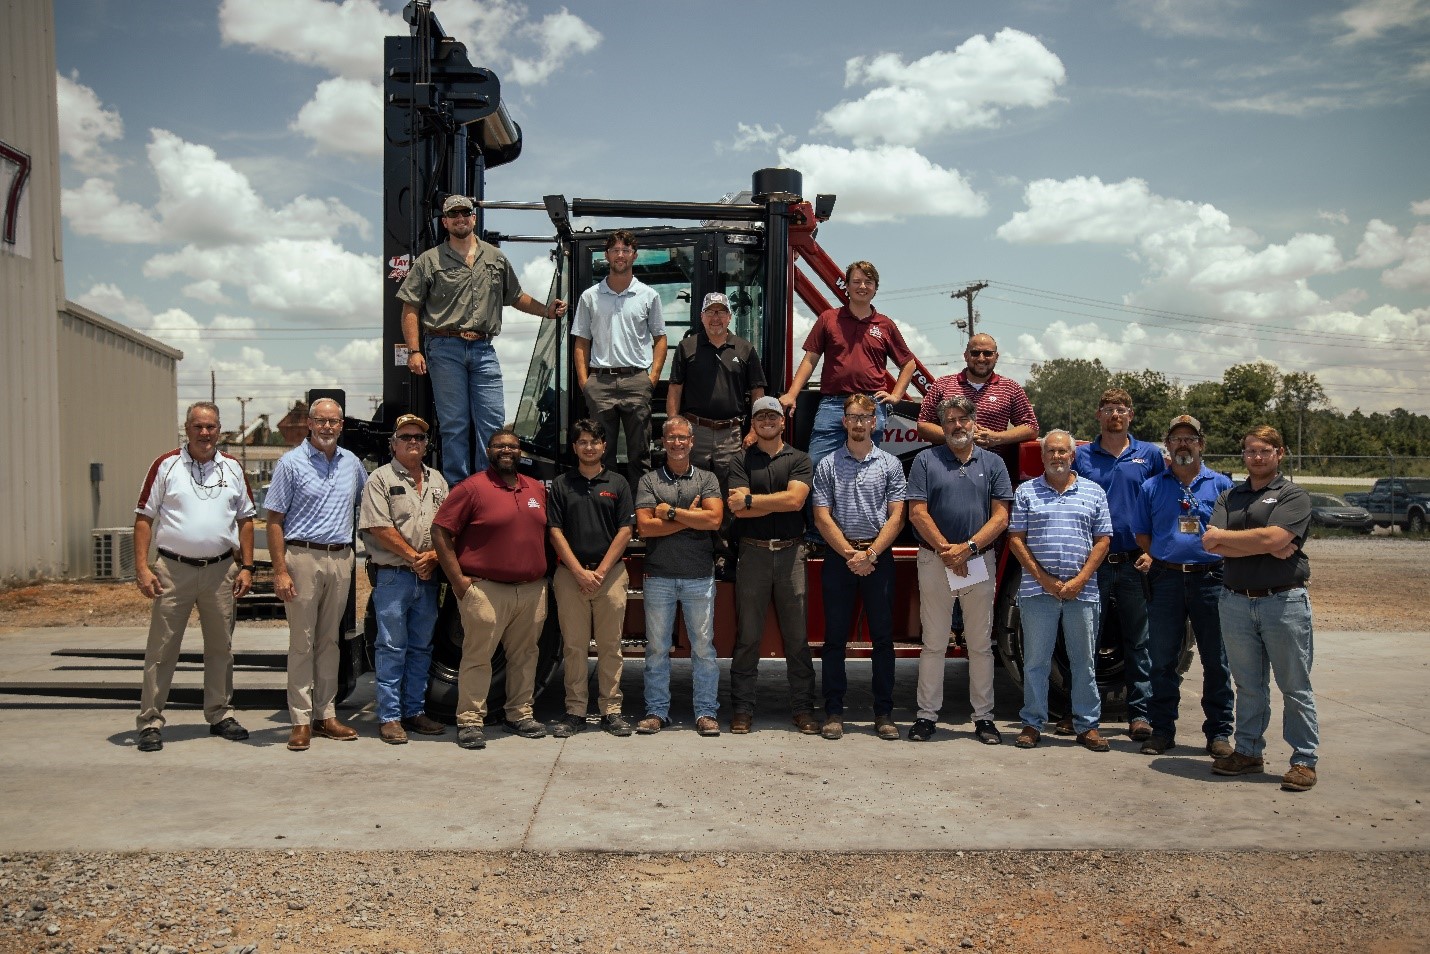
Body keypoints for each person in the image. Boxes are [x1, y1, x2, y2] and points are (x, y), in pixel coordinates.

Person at [398, 193, 566, 487]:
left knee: (491, 422)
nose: (460, 219)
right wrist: (414, 351)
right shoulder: (429, 260)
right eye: (454, 215)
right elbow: (410, 307)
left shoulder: (495, 257)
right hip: (444, 347)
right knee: (455, 424)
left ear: (474, 218)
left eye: (466, 214)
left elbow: (516, 297)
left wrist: (547, 311)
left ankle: (489, 486)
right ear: (446, 222)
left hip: (484, 348)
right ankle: (460, 489)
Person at [131, 402, 256, 753]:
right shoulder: (166, 465)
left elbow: (247, 519)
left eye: (211, 427)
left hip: (220, 571)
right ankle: (151, 721)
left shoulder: (232, 468)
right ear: (186, 428)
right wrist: (142, 568)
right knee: (162, 648)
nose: (205, 433)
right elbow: (144, 518)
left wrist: (246, 566)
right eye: (198, 426)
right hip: (173, 570)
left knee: (221, 648)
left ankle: (219, 713)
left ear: (220, 430)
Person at [1202, 425, 1320, 793]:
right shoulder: (1229, 496)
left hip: (1283, 602)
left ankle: (1303, 760)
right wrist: (1265, 543)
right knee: (1248, 685)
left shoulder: (1292, 495)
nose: (1257, 457)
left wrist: (1239, 540)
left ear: (1279, 453)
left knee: (1293, 685)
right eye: (1251, 451)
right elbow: (1210, 542)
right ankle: (1249, 752)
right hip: (1236, 600)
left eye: (1264, 451)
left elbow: (1275, 537)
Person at [432, 426, 551, 750]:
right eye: (499, 446)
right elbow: (440, 531)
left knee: (526, 656)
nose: (507, 451)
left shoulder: (535, 489)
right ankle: (470, 721)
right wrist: (458, 582)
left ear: (520, 451)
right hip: (486, 591)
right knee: (477, 657)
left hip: (531, 590)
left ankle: (519, 714)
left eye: (512, 446)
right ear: (489, 451)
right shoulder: (471, 488)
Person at [905, 396, 1013, 745]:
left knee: (980, 644)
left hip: (978, 559)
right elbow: (917, 513)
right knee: (933, 642)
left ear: (973, 420)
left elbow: (1001, 516)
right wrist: (947, 551)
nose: (957, 425)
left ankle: (983, 718)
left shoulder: (994, 462)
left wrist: (967, 549)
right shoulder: (925, 460)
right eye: (949, 419)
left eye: (963, 418)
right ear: (942, 425)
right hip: (934, 560)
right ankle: (926, 716)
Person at [265, 398, 368, 752]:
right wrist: (280, 571)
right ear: (309, 424)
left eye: (334, 421)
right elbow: (274, 521)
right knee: (302, 642)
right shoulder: (290, 464)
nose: (327, 427)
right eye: (321, 421)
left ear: (342, 426)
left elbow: (363, 506)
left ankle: (326, 714)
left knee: (330, 642)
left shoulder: (352, 464)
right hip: (302, 557)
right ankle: (300, 720)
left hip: (340, 558)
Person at [1132, 414, 1234, 757]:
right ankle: (1162, 730)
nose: (1183, 444)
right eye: (1176, 439)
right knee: (1162, 659)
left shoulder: (1220, 485)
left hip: (1211, 579)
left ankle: (1218, 733)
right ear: (1168, 446)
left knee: (1216, 659)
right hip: (1166, 578)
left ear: (1201, 445)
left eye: (1190, 438)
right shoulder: (1152, 487)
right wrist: (1162, 557)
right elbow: (1142, 533)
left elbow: (1232, 533)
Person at [1006, 430, 1113, 752]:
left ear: (1072, 455)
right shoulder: (1027, 492)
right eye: (1050, 451)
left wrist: (1080, 580)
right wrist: (1043, 579)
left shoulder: (1093, 492)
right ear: (1042, 457)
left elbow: (1103, 540)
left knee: (1084, 662)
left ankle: (1087, 725)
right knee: (1036, 662)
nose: (1056, 457)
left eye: (1062, 452)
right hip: (1038, 591)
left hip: (1083, 591)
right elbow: (1015, 539)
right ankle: (1032, 723)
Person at [811, 394, 907, 741]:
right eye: (852, 416)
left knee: (883, 640)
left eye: (865, 416)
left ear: (875, 422)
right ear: (843, 422)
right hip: (840, 558)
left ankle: (883, 713)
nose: (858, 422)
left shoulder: (890, 465)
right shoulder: (827, 465)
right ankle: (834, 712)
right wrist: (852, 554)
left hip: (878, 559)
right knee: (835, 639)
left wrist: (871, 555)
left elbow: (897, 515)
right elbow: (822, 517)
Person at [1070, 387, 1165, 741]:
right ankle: (1082, 713)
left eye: (1121, 408)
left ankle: (1139, 714)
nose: (1115, 414)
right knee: (1085, 641)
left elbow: (1162, 503)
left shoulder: (1150, 456)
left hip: (1133, 562)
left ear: (1131, 415)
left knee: (1137, 641)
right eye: (1108, 408)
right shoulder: (1082, 457)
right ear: (1098, 415)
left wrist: (1153, 550)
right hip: (1092, 563)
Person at [725, 396, 818, 735]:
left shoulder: (800, 459)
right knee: (747, 637)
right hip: (753, 555)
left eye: (772, 416)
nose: (767, 421)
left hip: (792, 554)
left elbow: (796, 501)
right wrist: (766, 503)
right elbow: (737, 508)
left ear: (782, 422)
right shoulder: (739, 460)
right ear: (754, 422)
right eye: (760, 416)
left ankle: (804, 709)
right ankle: (742, 710)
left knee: (797, 638)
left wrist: (752, 500)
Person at [357, 413, 449, 745]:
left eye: (419, 437)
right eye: (406, 436)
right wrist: (416, 559)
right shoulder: (379, 479)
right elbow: (378, 527)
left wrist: (435, 558)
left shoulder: (438, 480)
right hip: (394, 577)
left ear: (427, 444)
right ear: (393, 443)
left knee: (421, 648)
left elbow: (447, 528)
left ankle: (414, 711)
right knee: (392, 647)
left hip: (427, 579)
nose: (413, 442)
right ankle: (390, 717)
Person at [778, 260, 918, 468]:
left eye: (868, 282)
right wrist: (791, 394)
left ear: (875, 288)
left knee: (867, 468)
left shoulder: (885, 325)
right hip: (833, 404)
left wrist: (896, 395)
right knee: (816, 464)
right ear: (847, 286)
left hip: (871, 404)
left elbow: (909, 364)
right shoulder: (828, 319)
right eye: (857, 281)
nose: (862, 286)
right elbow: (810, 359)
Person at [633, 416, 724, 736]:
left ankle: (706, 713)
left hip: (700, 576)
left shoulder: (708, 478)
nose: (677, 443)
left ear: (691, 441)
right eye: (671, 438)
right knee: (656, 649)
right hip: (658, 576)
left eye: (682, 438)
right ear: (663, 441)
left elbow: (714, 520)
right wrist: (692, 517)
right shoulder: (648, 481)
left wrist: (669, 513)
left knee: (703, 649)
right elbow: (645, 527)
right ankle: (656, 711)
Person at [547, 419, 636, 738]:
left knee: (611, 646)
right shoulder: (561, 484)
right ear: (574, 447)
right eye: (582, 441)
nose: (588, 447)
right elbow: (554, 530)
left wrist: (599, 572)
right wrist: (579, 572)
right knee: (574, 647)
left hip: (610, 575)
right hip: (571, 576)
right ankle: (575, 712)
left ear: (604, 446)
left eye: (594, 441)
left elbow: (626, 530)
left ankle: (611, 710)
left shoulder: (619, 482)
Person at [573, 230, 667, 486]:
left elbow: (660, 339)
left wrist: (652, 378)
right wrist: (585, 383)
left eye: (625, 250)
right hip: (600, 383)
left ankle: (642, 513)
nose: (620, 255)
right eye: (615, 250)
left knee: (640, 453)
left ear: (634, 256)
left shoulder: (649, 295)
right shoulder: (590, 296)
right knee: (602, 454)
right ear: (607, 255)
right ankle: (609, 509)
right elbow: (581, 341)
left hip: (636, 380)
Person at [667, 291, 767, 489]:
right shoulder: (686, 347)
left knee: (730, 491)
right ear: (702, 316)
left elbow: (757, 392)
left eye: (721, 312)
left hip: (731, 434)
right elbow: (675, 389)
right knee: (690, 488)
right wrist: (674, 426)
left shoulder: (745, 349)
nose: (715, 318)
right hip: (694, 431)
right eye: (710, 312)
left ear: (729, 317)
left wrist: (755, 429)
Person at [916, 333, 1037, 480]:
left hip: (991, 472)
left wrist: (997, 438)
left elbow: (1031, 427)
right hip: (945, 470)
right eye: (975, 353)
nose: (981, 358)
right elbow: (923, 427)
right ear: (966, 355)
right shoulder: (942, 384)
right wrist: (962, 437)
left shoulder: (1010, 388)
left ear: (996, 357)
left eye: (987, 353)